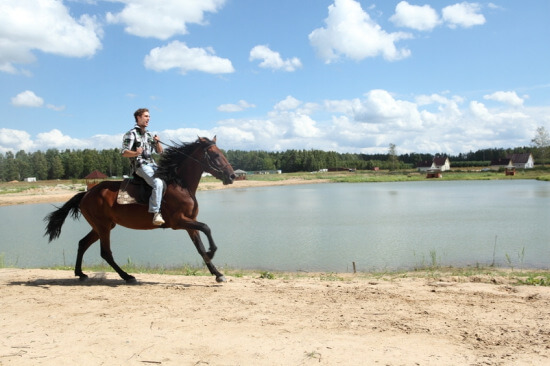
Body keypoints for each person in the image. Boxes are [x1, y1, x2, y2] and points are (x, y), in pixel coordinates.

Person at [121, 108, 165, 225]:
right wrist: (135, 153)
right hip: (139, 166)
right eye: (146, 116)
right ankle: (155, 213)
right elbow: (124, 152)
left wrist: (157, 142)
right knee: (158, 183)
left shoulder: (149, 135)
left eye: (149, 116)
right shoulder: (131, 134)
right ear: (138, 118)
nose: (148, 119)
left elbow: (159, 151)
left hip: (152, 164)